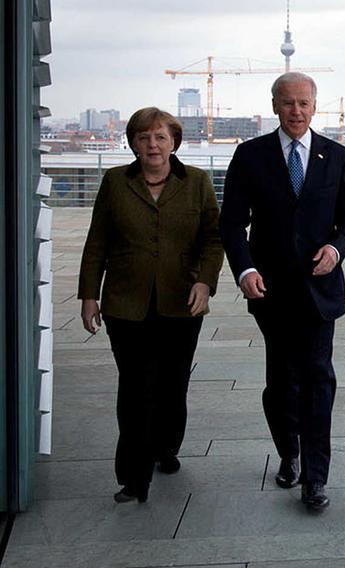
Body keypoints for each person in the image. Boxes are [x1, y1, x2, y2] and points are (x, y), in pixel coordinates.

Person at [219, 72, 345, 511]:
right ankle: (289, 452)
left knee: (318, 378)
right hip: (270, 290)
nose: (296, 111)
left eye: (303, 103)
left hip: (320, 290)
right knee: (280, 381)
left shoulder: (336, 155)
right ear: (274, 106)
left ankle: (316, 480)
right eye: (287, 103)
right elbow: (231, 223)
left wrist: (337, 251)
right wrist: (244, 269)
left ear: (315, 106)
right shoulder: (250, 155)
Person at [78, 107, 223, 504]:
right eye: (144, 138)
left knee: (172, 385)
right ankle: (132, 477)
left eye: (160, 137)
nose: (152, 145)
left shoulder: (196, 182)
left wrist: (205, 283)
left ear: (174, 141)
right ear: (133, 144)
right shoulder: (115, 182)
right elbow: (97, 242)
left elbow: (213, 239)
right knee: (135, 388)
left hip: (182, 303)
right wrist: (89, 295)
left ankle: (166, 446)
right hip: (126, 305)